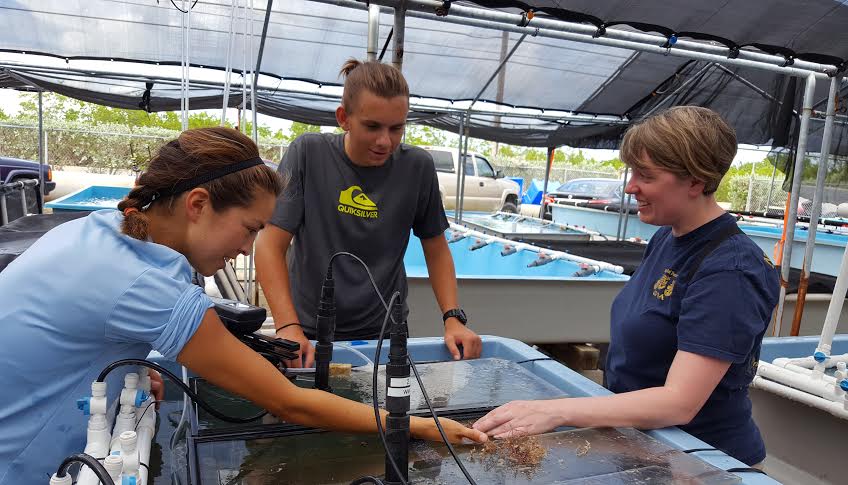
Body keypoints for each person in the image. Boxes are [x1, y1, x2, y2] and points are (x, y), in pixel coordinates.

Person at [0, 127, 486, 483]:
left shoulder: (103, 230)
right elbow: (286, 401)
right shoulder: (147, 284)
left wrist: (131, 360)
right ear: (197, 205)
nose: (247, 248)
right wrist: (420, 424)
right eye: (250, 229)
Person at [474, 107, 779, 467]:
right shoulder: (668, 237)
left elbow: (680, 402)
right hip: (645, 445)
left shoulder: (731, 270)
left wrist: (554, 411)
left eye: (645, 176)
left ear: (696, 181)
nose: (631, 186)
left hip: (701, 462)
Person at [255, 59, 482, 368]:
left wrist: (453, 317)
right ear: (343, 118)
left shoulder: (417, 167)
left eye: (396, 128)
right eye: (372, 126)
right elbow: (270, 244)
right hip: (307, 330)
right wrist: (286, 325)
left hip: (385, 334)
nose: (385, 141)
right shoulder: (308, 153)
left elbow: (437, 248)